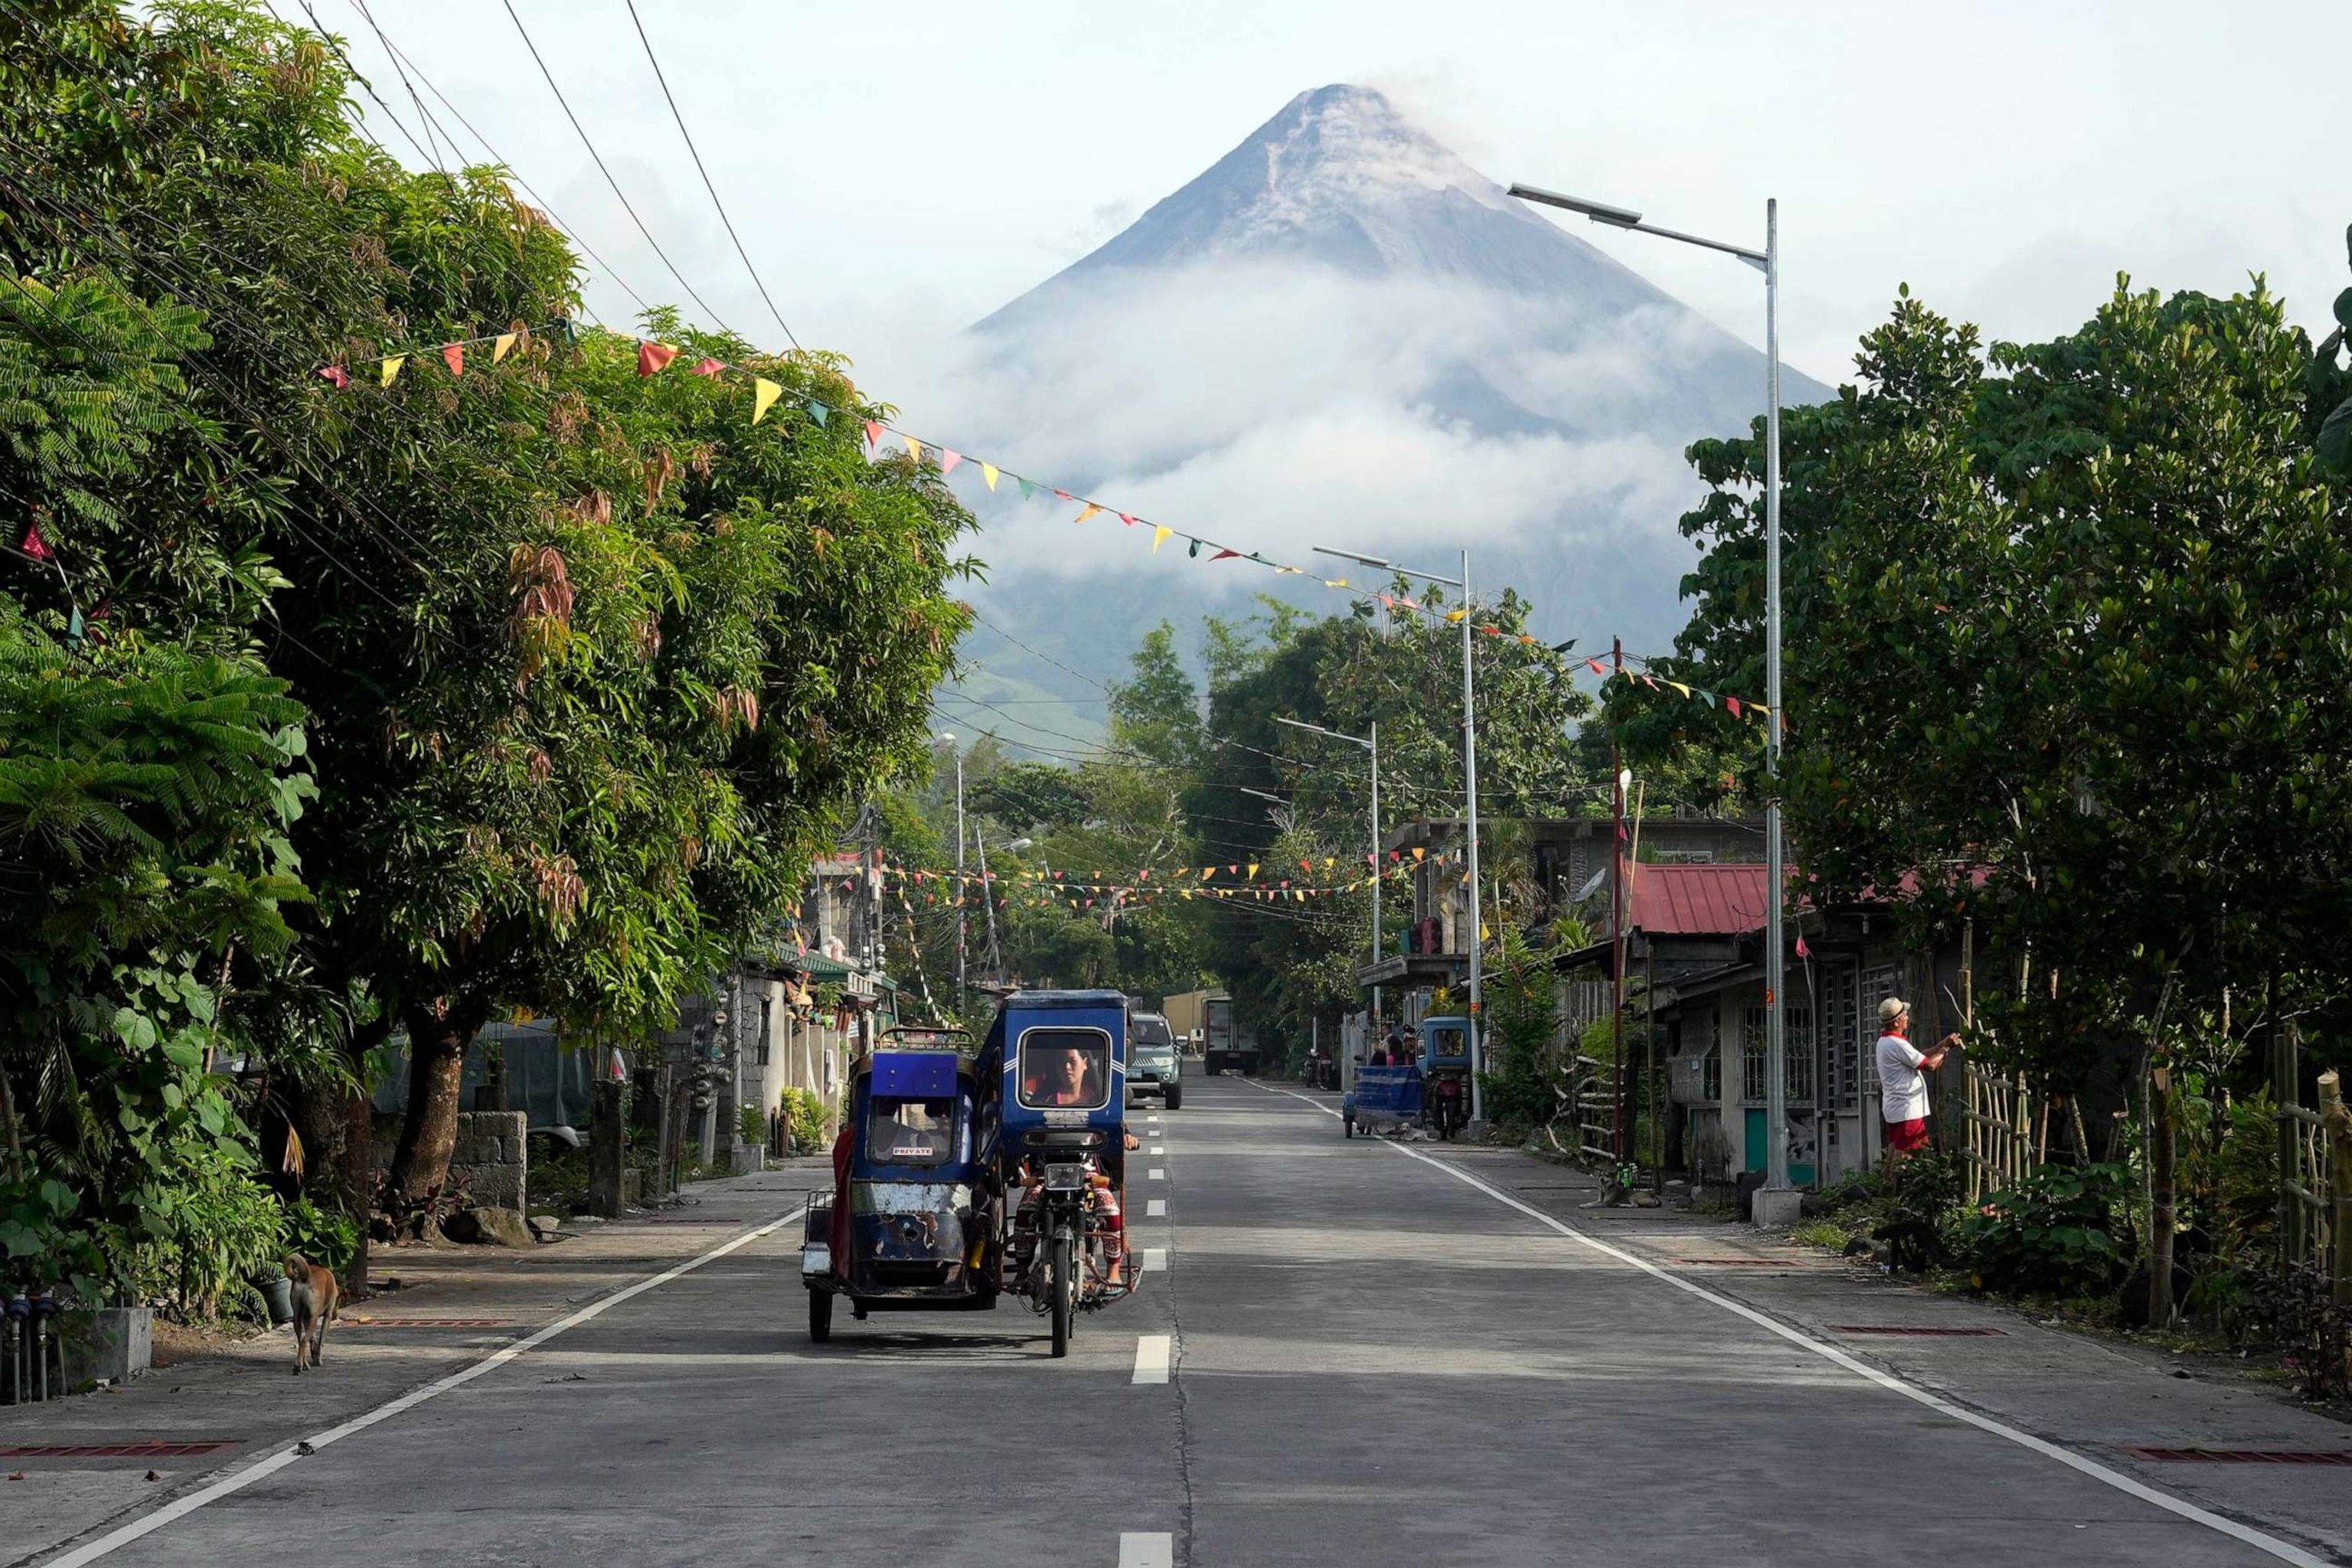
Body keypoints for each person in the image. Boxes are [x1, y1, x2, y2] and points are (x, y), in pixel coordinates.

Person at [1874, 998, 1957, 1159]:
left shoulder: (1885, 1042)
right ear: (1897, 1022)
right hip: (1907, 1109)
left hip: (1897, 1107)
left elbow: (1919, 1057)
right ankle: (1899, 1183)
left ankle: (1889, 1182)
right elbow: (1931, 1066)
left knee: (1896, 1149)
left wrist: (1942, 1044)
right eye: (1905, 1015)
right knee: (1908, 1155)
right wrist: (1948, 1048)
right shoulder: (1898, 1044)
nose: (1907, 1018)